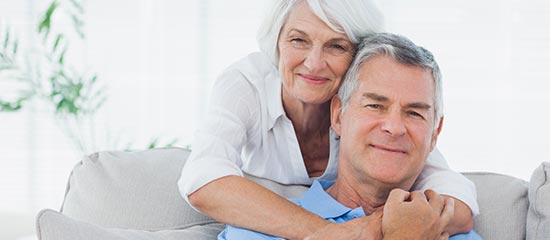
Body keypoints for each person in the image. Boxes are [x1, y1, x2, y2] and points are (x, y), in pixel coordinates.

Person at [179, 0, 479, 239]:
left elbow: (455, 197)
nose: (313, 63)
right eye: (298, 40)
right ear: (276, 44)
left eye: (337, 46)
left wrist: (388, 227)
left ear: (359, 61)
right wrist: (333, 233)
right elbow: (202, 177)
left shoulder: (380, 121)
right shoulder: (247, 85)